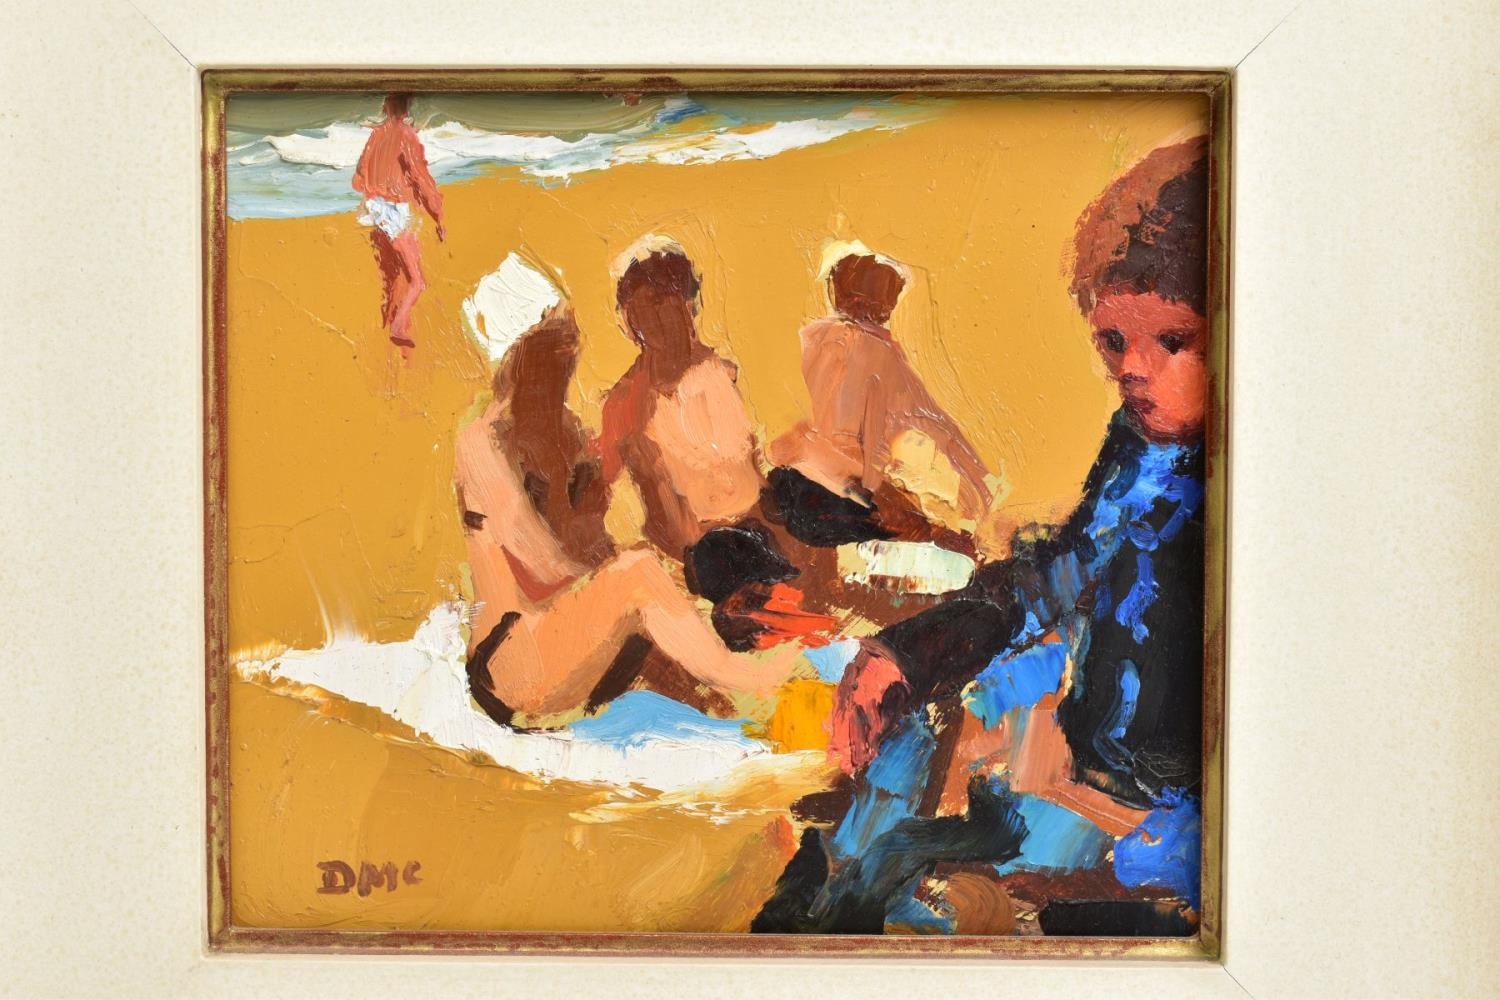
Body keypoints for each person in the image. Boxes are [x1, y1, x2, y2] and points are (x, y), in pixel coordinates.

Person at [753, 136, 1211, 936]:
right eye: (1114, 343)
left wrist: (1124, 852)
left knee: (935, 891)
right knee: (900, 764)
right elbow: (1055, 574)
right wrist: (908, 652)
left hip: (1155, 834)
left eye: (1171, 342)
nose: (1133, 370)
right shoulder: (1138, 445)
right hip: (1089, 780)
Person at [454, 252, 800, 728]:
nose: (567, 358)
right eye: (552, 349)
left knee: (680, 654)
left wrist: (624, 571)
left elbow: (590, 548)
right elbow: (540, 564)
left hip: (568, 641)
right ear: (517, 362)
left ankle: (740, 699)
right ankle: (755, 683)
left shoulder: (567, 433)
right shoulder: (485, 442)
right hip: (512, 660)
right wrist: (625, 577)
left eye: (567, 342)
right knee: (639, 574)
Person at [769, 247, 993, 542]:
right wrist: (980, 485)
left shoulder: (809, 340)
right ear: (886, 302)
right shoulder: (878, 354)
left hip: (795, 485)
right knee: (943, 533)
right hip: (845, 495)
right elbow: (925, 424)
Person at [598, 236, 767, 560]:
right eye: (644, 308)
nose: (658, 319)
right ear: (630, 321)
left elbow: (752, 468)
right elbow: (665, 519)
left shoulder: (722, 373)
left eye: (666, 302)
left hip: (756, 529)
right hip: (697, 551)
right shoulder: (627, 405)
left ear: (689, 305)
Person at [352, 93, 445, 356]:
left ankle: (389, 322)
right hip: (394, 210)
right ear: (406, 109)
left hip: (374, 208)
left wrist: (376, 189)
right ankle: (398, 327)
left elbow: (358, 179)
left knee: (392, 274)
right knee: (416, 280)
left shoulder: (376, 135)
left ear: (385, 107)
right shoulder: (406, 136)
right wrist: (438, 215)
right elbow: (421, 178)